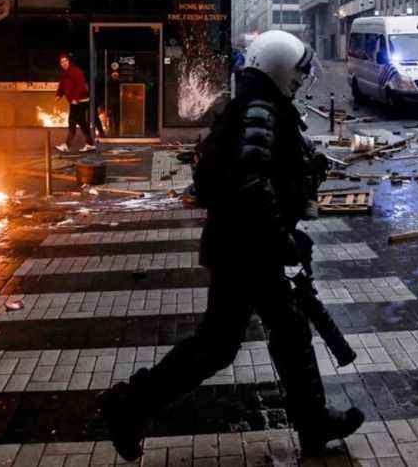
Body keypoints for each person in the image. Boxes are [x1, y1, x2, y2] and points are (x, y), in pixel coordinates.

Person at [99, 30, 364, 461]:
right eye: (295, 74)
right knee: (221, 345)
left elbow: (265, 176)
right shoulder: (260, 110)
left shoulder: (260, 106)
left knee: (281, 332)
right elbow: (252, 180)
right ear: (277, 70)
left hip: (247, 246)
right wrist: (284, 238)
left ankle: (314, 423)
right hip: (247, 250)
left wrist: (304, 178)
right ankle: (128, 405)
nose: (299, 83)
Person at [55, 54, 96, 153]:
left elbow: (81, 85)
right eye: (62, 62)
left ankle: (67, 145)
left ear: (69, 61)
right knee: (82, 123)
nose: (64, 63)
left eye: (65, 61)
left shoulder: (76, 71)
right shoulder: (64, 73)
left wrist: (76, 99)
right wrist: (59, 95)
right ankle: (90, 144)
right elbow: (62, 85)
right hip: (76, 101)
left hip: (80, 101)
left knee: (72, 121)